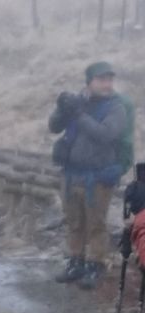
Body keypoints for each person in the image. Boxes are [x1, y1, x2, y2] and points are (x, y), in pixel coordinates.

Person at [49, 61, 129, 290]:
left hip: (98, 177)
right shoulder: (78, 102)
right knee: (74, 221)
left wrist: (78, 114)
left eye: (109, 80)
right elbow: (54, 127)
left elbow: (105, 134)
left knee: (96, 224)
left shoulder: (116, 107)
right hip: (71, 174)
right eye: (101, 80)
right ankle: (75, 262)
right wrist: (62, 109)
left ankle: (95, 265)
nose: (107, 84)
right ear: (89, 82)